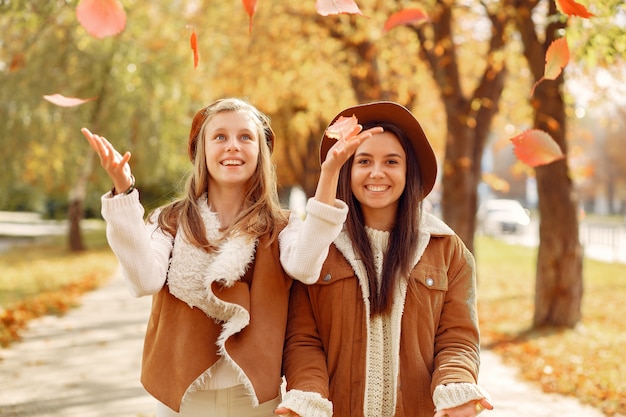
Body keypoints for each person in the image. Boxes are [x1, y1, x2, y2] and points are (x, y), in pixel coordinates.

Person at [275, 101, 494, 417]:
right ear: (348, 169)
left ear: (408, 171)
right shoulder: (317, 248)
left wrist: (455, 387)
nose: (377, 173)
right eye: (364, 161)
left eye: (391, 161)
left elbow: (457, 339)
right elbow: (303, 341)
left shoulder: (447, 250)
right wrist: (307, 398)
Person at [82, 98, 295, 417]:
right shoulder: (168, 221)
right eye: (219, 137)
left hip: (258, 400)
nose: (232, 146)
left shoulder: (282, 227)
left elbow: (307, 268)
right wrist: (124, 192)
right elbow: (143, 281)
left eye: (245, 137)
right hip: (183, 399)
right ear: (201, 151)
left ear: (260, 151)